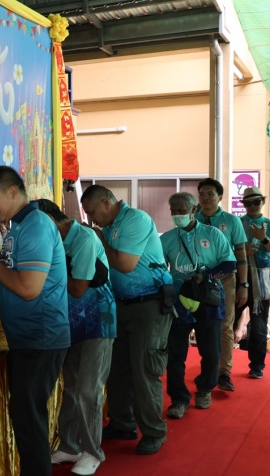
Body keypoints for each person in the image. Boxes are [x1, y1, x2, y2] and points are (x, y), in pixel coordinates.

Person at [0, 166, 69, 476]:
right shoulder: (17, 226)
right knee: (26, 416)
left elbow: (28, 288)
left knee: (29, 419)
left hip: (41, 336)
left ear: (13, 191)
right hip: (27, 338)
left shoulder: (35, 225)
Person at [80, 184, 172, 456]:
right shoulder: (108, 227)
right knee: (117, 368)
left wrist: (99, 240)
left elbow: (124, 263)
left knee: (144, 371)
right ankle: (122, 423)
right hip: (120, 305)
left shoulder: (136, 219)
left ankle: (154, 431)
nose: (91, 219)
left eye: (92, 212)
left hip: (149, 304)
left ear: (106, 203)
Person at [36, 199, 116, 476]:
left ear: (49, 220)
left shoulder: (83, 238)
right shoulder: (52, 240)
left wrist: (45, 272)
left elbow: (79, 288)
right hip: (69, 321)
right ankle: (70, 445)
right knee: (71, 386)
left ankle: (92, 452)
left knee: (88, 389)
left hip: (97, 320)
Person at [160, 192, 235, 419]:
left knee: (211, 350)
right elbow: (159, 267)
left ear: (194, 210)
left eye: (181, 211)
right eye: (173, 211)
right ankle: (179, 399)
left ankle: (204, 389)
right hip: (179, 300)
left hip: (208, 298)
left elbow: (229, 263)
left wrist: (207, 275)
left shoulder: (213, 234)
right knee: (175, 353)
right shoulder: (167, 238)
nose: (177, 215)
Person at [195, 178, 248, 392]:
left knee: (225, 326)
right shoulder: (192, 219)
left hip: (225, 279)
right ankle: (208, 369)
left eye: (211, 194)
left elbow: (241, 254)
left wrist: (243, 285)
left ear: (220, 197)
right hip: (198, 280)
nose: (206, 198)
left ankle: (224, 373)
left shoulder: (232, 221)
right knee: (201, 324)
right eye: (202, 194)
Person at [236, 186, 270, 379]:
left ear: (262, 202)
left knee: (258, 327)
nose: (252, 206)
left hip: (261, 278)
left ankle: (257, 366)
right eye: (248, 202)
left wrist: (263, 238)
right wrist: (243, 250)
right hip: (239, 276)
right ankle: (222, 363)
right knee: (227, 322)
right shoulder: (237, 223)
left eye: (256, 201)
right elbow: (225, 249)